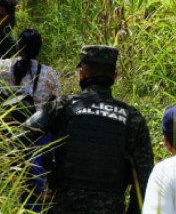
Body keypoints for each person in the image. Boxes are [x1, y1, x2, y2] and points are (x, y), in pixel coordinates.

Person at [23, 45, 154, 214]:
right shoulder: (132, 118)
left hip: (64, 207)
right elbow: (143, 178)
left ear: (82, 74)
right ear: (114, 76)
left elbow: (21, 137)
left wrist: (32, 189)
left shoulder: (62, 107)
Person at [0, 28, 61, 212]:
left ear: (18, 44)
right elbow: (57, 102)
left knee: (4, 174)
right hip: (37, 133)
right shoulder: (49, 74)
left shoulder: (1, 67)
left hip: (5, 130)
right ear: (40, 48)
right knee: (34, 177)